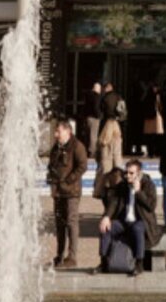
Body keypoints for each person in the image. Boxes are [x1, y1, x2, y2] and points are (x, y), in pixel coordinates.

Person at [98, 158, 159, 277]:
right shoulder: (122, 185)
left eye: (131, 173)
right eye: (126, 172)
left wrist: (138, 192)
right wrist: (106, 217)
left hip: (142, 220)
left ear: (139, 173)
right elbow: (114, 203)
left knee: (137, 229)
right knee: (106, 228)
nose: (127, 176)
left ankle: (139, 263)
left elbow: (151, 206)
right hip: (124, 221)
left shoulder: (148, 185)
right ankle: (103, 262)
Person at [47, 118, 89, 269]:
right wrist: (52, 181)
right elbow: (51, 166)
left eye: (58, 131)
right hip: (58, 192)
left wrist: (68, 180)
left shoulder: (77, 146)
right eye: (55, 131)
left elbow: (83, 166)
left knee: (71, 223)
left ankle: (72, 257)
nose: (56, 134)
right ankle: (59, 256)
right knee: (59, 224)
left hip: (71, 192)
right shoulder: (56, 147)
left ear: (68, 131)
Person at [84, 81, 103, 160]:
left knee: (88, 134)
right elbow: (96, 107)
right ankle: (92, 152)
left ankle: (88, 150)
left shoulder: (88, 96)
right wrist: (99, 115)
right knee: (93, 135)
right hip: (94, 117)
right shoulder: (97, 96)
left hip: (88, 117)